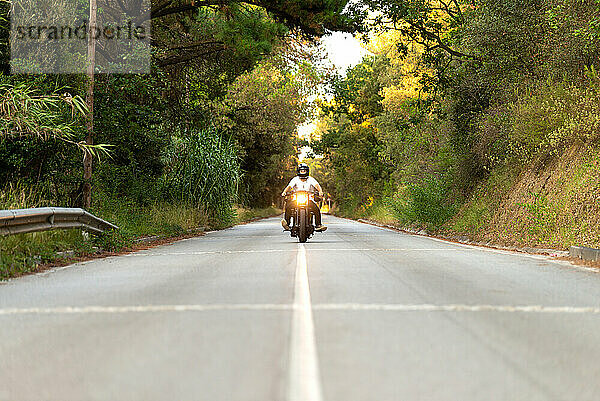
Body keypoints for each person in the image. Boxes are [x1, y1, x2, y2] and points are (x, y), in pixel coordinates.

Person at [281, 163, 327, 232]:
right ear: (298, 171)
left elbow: (317, 186)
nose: (303, 172)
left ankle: (318, 225)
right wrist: (284, 192)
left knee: (316, 209)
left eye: (304, 170)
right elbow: (289, 186)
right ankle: (287, 223)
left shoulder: (311, 179)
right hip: (296, 199)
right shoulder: (295, 179)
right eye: (301, 171)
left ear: (307, 171)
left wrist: (320, 191)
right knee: (289, 207)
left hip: (309, 199)